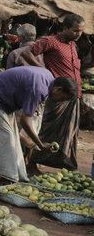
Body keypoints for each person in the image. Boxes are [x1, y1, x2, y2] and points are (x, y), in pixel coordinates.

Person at [0, 67, 77, 183]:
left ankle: (16, 174)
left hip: (4, 100)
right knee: (6, 138)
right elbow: (24, 121)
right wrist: (40, 144)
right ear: (58, 89)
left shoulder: (49, 77)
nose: (59, 101)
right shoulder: (39, 89)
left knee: (13, 138)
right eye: (61, 98)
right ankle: (7, 177)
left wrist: (35, 106)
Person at [22, 14, 85, 171]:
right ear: (65, 28)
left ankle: (65, 163)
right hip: (58, 96)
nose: (79, 34)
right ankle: (31, 162)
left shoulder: (72, 45)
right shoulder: (51, 41)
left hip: (73, 97)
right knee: (47, 131)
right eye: (76, 30)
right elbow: (27, 52)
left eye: (81, 31)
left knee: (68, 135)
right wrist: (43, 71)